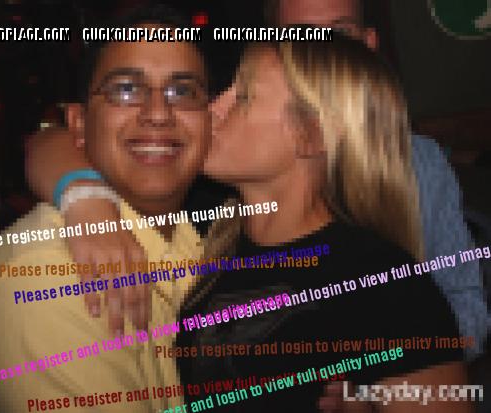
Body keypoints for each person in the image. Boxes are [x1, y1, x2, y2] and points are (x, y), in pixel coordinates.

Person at [25, 0, 489, 361]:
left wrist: (383, 378)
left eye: (336, 37)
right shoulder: (214, 199)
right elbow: (58, 139)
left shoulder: (384, 268)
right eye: (294, 39)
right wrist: (84, 197)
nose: (215, 109)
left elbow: (449, 311)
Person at [177, 35, 474, 413]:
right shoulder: (207, 240)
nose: (214, 107)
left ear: (311, 135)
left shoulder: (383, 285)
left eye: (244, 96)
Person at [0, 7, 217, 412]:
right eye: (126, 89)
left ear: (211, 121)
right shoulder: (47, 282)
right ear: (78, 124)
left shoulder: (205, 237)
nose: (159, 113)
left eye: (183, 91)